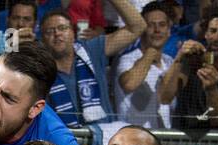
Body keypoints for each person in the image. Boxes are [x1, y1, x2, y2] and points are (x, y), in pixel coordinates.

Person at [38, 0, 145, 134]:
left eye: (62, 28)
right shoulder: (40, 70)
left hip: (103, 140)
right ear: (42, 39)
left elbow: (137, 26)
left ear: (73, 32)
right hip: (64, 143)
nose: (57, 34)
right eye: (49, 31)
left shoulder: (92, 50)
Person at [115, 0, 174, 129]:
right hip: (133, 139)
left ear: (169, 30)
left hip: (164, 140)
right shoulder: (127, 59)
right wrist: (151, 53)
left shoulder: (170, 62)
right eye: (151, 25)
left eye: (162, 25)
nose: (157, 30)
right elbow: (129, 84)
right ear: (142, 30)